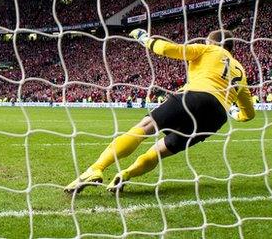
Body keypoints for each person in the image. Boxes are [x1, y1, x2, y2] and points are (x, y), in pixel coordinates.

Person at [64, 29, 255, 194]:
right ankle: (126, 174)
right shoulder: (241, 71)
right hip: (216, 116)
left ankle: (96, 169)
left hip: (194, 96)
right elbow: (249, 114)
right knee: (159, 151)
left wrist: (144, 38)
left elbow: (167, 49)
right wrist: (236, 115)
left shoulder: (209, 49)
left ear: (210, 42)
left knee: (145, 127)